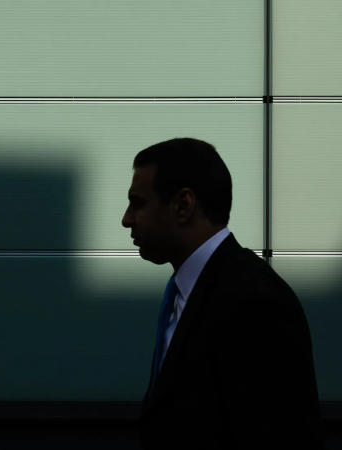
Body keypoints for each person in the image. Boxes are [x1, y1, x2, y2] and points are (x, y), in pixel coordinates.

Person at [122, 138, 326, 449]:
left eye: (138, 203)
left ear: (183, 205)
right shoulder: (191, 292)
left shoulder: (256, 302)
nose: (127, 219)